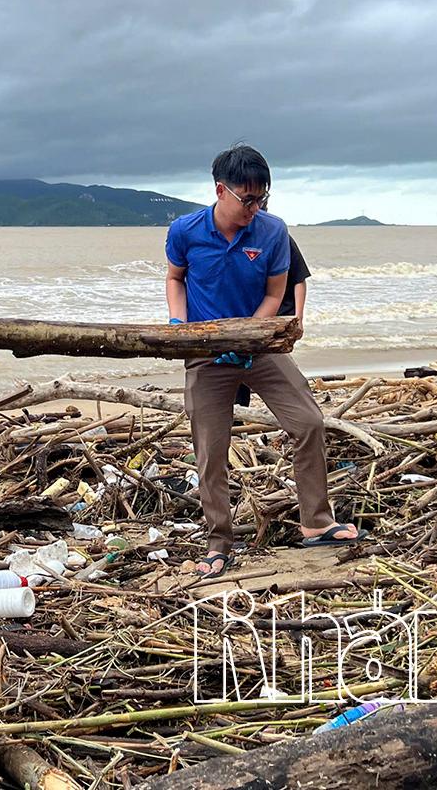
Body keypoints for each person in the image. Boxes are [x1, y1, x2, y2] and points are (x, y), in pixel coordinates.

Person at [165, 145, 361, 579]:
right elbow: (175, 277)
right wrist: (179, 324)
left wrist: (251, 336)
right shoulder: (185, 230)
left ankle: (316, 521)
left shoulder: (272, 232)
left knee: (308, 422)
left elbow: (277, 294)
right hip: (205, 355)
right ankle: (219, 541)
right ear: (221, 190)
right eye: (247, 199)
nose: (255, 208)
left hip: (260, 348)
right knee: (211, 451)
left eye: (262, 199)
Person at [235, 235, 310, 408]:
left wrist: (298, 318)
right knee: (240, 366)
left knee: (281, 370)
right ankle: (238, 418)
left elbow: (299, 279)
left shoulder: (279, 237)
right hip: (249, 315)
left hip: (281, 316)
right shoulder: (237, 237)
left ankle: (295, 411)